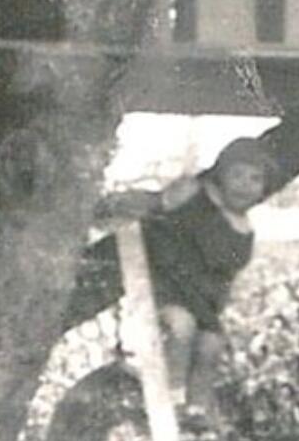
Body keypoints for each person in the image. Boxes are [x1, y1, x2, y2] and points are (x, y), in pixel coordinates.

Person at [105, 137, 279, 421]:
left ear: (263, 188)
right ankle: (171, 399)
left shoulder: (243, 230)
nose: (244, 185)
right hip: (166, 288)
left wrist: (214, 310)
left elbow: (225, 277)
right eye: (236, 175)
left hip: (201, 300)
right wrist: (167, 198)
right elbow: (159, 207)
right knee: (181, 326)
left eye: (255, 179)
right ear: (220, 175)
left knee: (211, 343)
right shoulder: (197, 197)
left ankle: (196, 410)